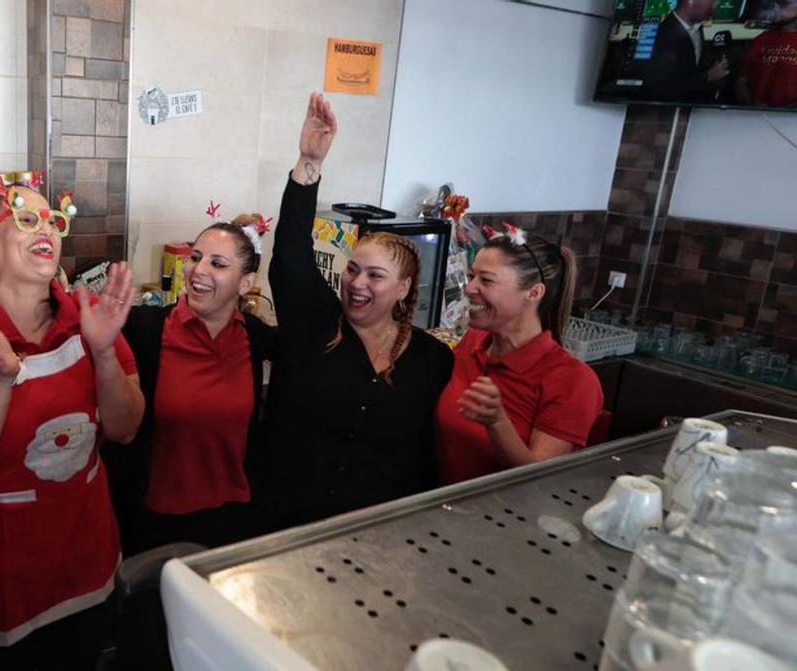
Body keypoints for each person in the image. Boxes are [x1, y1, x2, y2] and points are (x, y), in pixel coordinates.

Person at [0, 176, 144, 668]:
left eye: (54, 221)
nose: (48, 230)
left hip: (84, 559)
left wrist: (102, 353)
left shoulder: (92, 315)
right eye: (25, 218)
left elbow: (125, 429)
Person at [257, 93, 454, 531]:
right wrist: (308, 163)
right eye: (352, 269)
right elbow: (290, 254)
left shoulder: (432, 360)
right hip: (289, 525)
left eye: (375, 276)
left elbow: (423, 456)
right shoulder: (315, 324)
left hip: (378, 532)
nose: (357, 283)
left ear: (404, 289)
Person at [113, 214, 277, 554]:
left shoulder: (255, 337)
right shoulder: (144, 330)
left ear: (245, 283)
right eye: (196, 257)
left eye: (218, 264)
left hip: (233, 520)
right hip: (154, 523)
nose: (198, 270)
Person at [435, 225, 604, 485]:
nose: (469, 289)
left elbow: (537, 479)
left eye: (486, 280)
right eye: (472, 276)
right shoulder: (473, 342)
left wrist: (497, 422)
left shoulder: (574, 381)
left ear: (534, 293)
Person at [641, 0, 730, 103]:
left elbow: (693, 69)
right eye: (712, 1)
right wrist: (708, 76)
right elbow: (661, 86)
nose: (715, 5)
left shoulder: (697, 28)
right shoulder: (659, 35)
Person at [736, 0, 797, 107]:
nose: (775, 8)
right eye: (774, 3)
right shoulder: (762, 39)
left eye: (783, 4)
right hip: (756, 118)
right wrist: (753, 108)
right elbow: (741, 81)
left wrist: (785, 113)